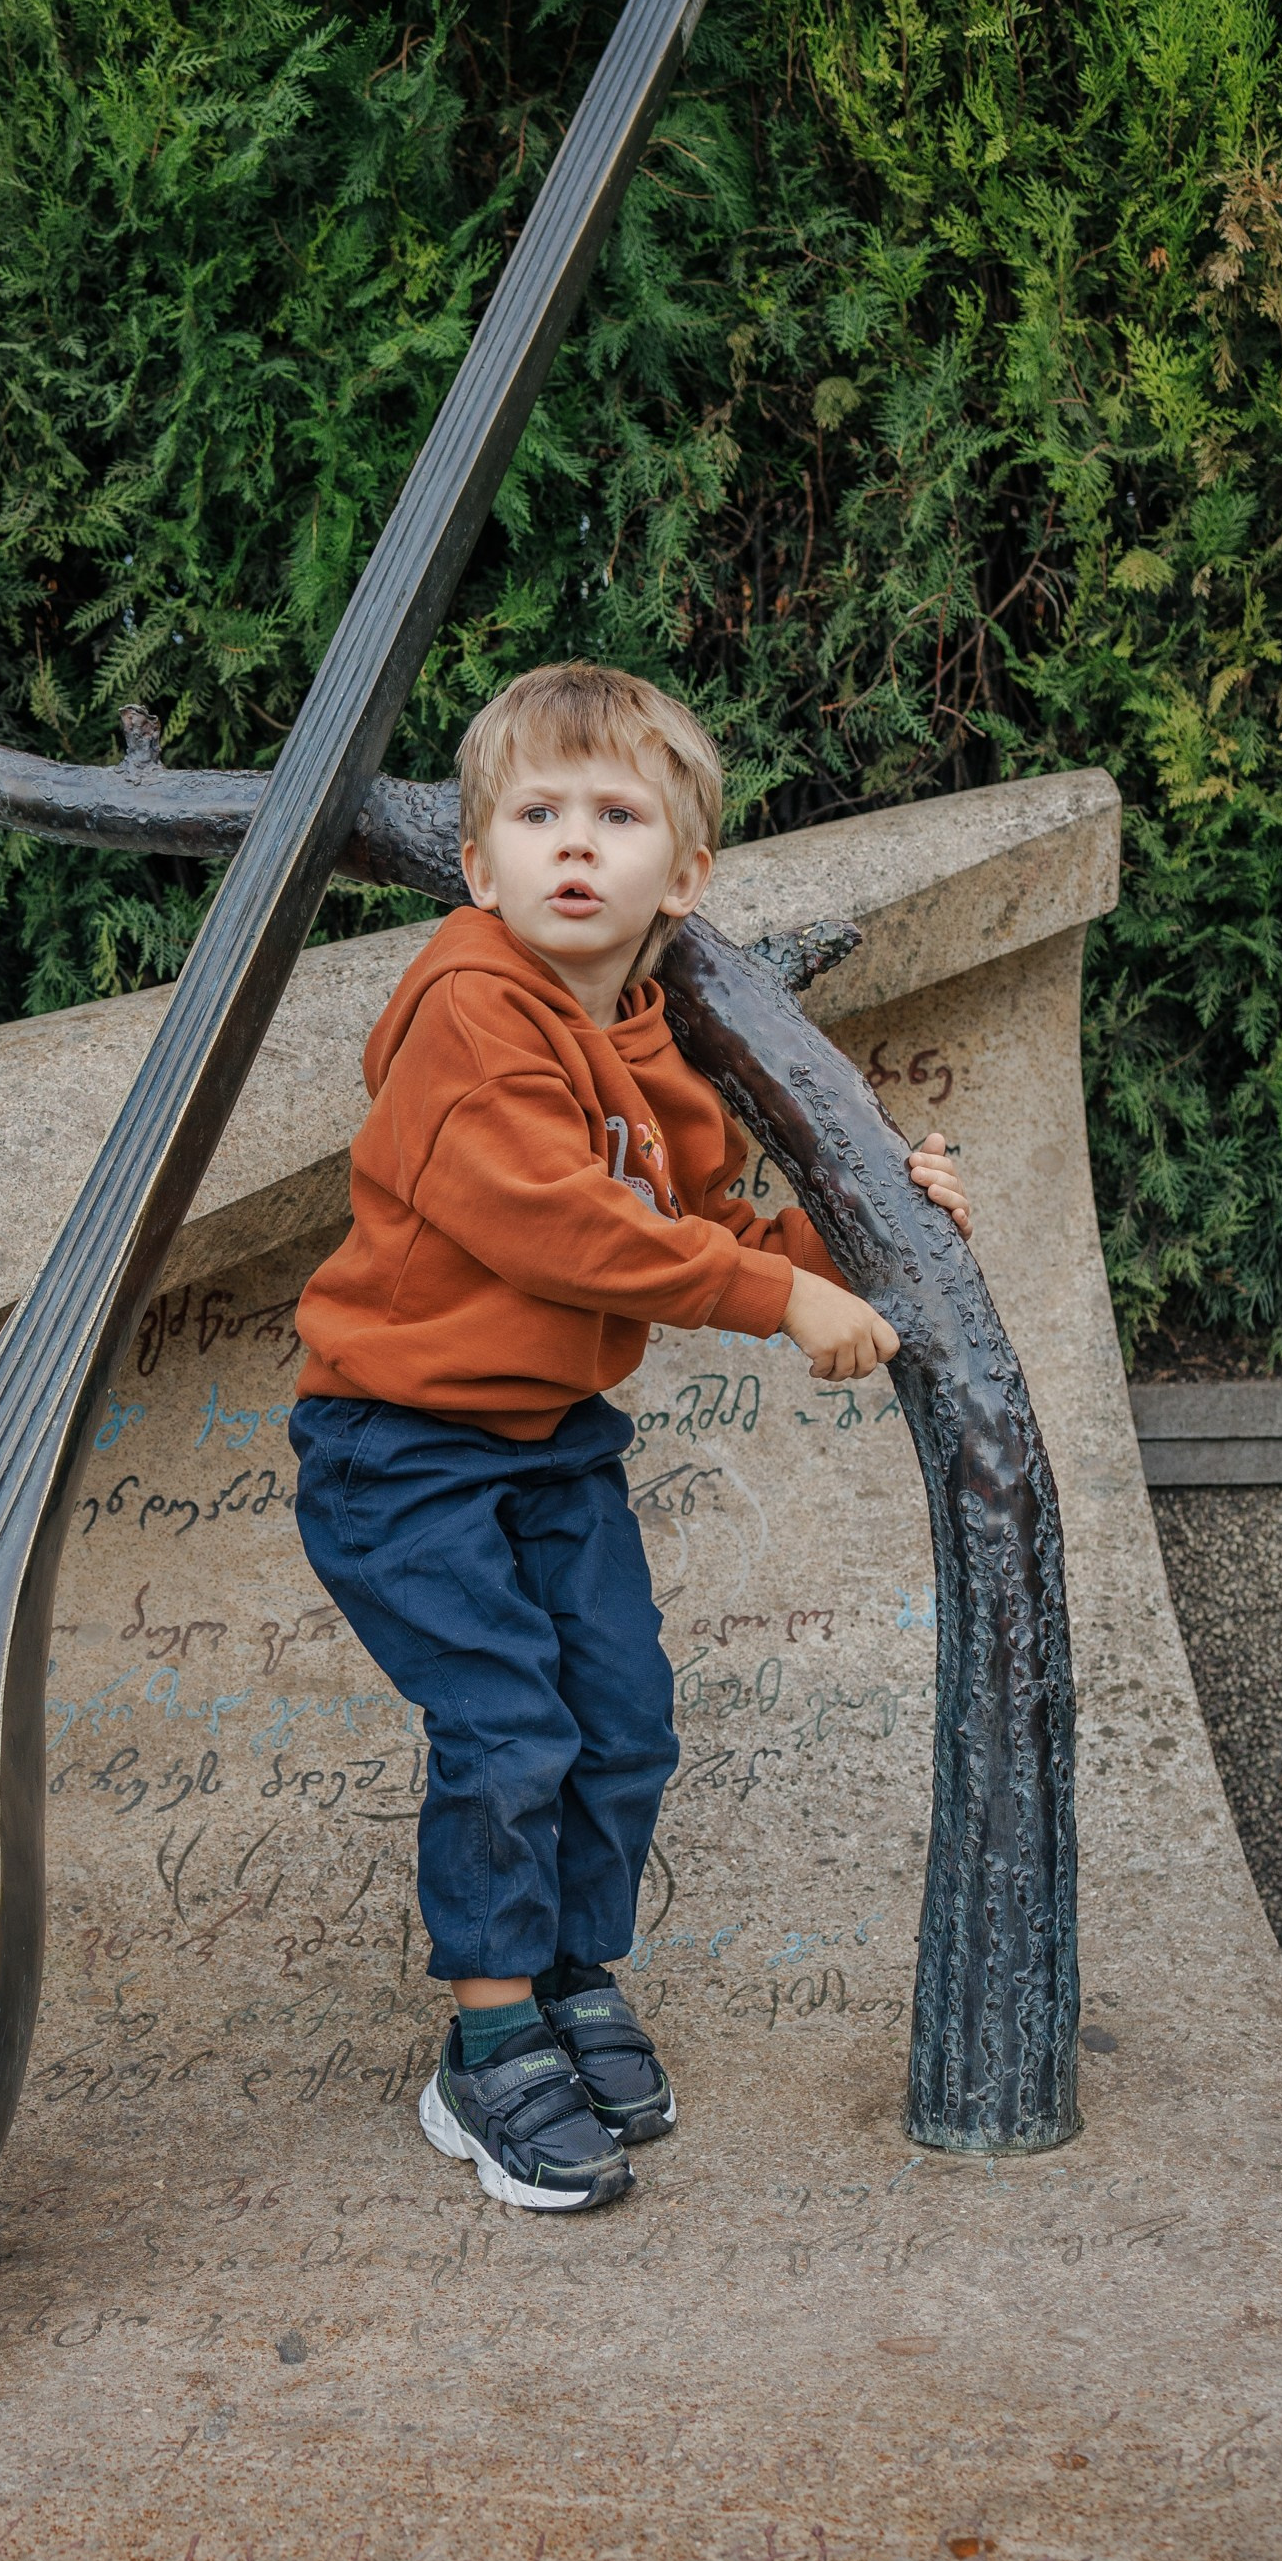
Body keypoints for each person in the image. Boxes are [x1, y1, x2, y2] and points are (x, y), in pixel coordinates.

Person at [287, 662, 972, 2211]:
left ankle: (568, 1972)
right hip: (396, 1449)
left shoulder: (657, 1045)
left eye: (615, 815)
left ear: (686, 874)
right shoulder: (469, 1009)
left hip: (546, 1441)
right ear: (480, 868)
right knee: (507, 1726)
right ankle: (485, 2045)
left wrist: (872, 1230)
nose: (575, 844)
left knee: (621, 1713)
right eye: (538, 816)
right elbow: (562, 1230)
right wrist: (781, 1301)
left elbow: (701, 1223)